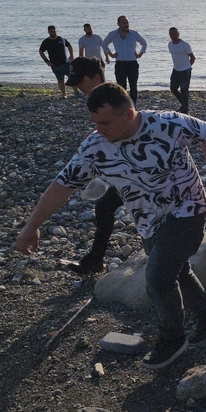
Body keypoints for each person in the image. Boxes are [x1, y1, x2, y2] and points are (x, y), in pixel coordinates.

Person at [16, 82, 206, 369]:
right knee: (178, 270)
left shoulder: (167, 123)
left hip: (187, 209)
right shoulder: (95, 146)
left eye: (105, 122)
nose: (99, 129)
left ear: (128, 115)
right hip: (147, 222)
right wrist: (32, 226)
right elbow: (61, 186)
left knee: (157, 278)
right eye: (94, 122)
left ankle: (172, 339)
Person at [61, 57, 126, 275]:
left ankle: (97, 259)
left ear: (96, 78)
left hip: (139, 174)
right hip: (124, 173)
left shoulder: (116, 99)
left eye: (81, 82)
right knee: (105, 207)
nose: (79, 88)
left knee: (108, 208)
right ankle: (95, 260)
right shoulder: (99, 102)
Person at [103, 15, 147, 107]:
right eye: (124, 23)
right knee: (121, 87)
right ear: (118, 24)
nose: (126, 24)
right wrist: (110, 54)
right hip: (120, 63)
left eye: (127, 22)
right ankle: (123, 105)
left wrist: (140, 54)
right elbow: (104, 44)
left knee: (133, 86)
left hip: (132, 63)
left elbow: (144, 43)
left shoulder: (134, 34)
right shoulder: (113, 34)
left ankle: (133, 106)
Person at [39, 25, 75, 98]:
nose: (53, 32)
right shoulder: (46, 41)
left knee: (72, 77)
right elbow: (41, 51)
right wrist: (47, 61)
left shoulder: (61, 39)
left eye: (54, 31)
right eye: (51, 31)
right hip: (55, 64)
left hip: (66, 63)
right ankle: (64, 94)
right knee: (60, 79)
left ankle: (77, 92)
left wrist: (71, 55)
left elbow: (69, 46)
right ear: (48, 32)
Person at [168, 27, 196, 114]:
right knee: (173, 88)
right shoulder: (170, 44)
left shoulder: (184, 45)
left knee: (184, 90)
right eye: (171, 34)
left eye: (175, 34)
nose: (173, 36)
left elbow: (192, 57)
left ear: (178, 34)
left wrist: (188, 67)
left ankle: (185, 108)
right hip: (176, 69)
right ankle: (184, 104)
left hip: (185, 70)